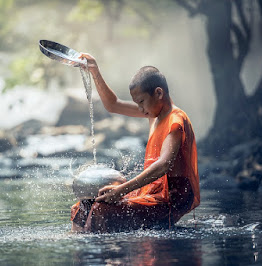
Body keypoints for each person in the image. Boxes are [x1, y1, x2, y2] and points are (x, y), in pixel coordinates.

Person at [71, 53, 200, 233]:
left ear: (158, 93)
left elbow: (164, 165)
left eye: (141, 102)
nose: (140, 109)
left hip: (170, 199)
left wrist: (122, 190)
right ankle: (79, 248)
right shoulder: (153, 113)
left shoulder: (175, 120)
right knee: (83, 205)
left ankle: (110, 257)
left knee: (101, 210)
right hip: (150, 192)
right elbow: (113, 105)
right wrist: (95, 72)